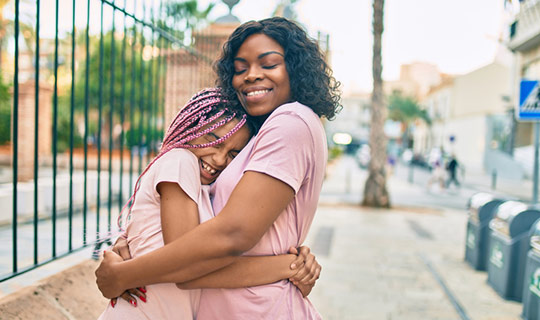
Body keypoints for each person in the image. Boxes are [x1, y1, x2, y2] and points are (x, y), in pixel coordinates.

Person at [96, 16, 341, 319]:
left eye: (268, 64)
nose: (251, 75)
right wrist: (133, 238)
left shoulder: (290, 121)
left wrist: (124, 275)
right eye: (240, 68)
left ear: (296, 68)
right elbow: (200, 225)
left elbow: (229, 235)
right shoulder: (250, 140)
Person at [98, 88, 319, 319]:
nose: (219, 159)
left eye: (233, 154)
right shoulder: (179, 161)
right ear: (190, 128)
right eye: (213, 140)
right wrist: (288, 266)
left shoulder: (204, 186)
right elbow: (186, 265)